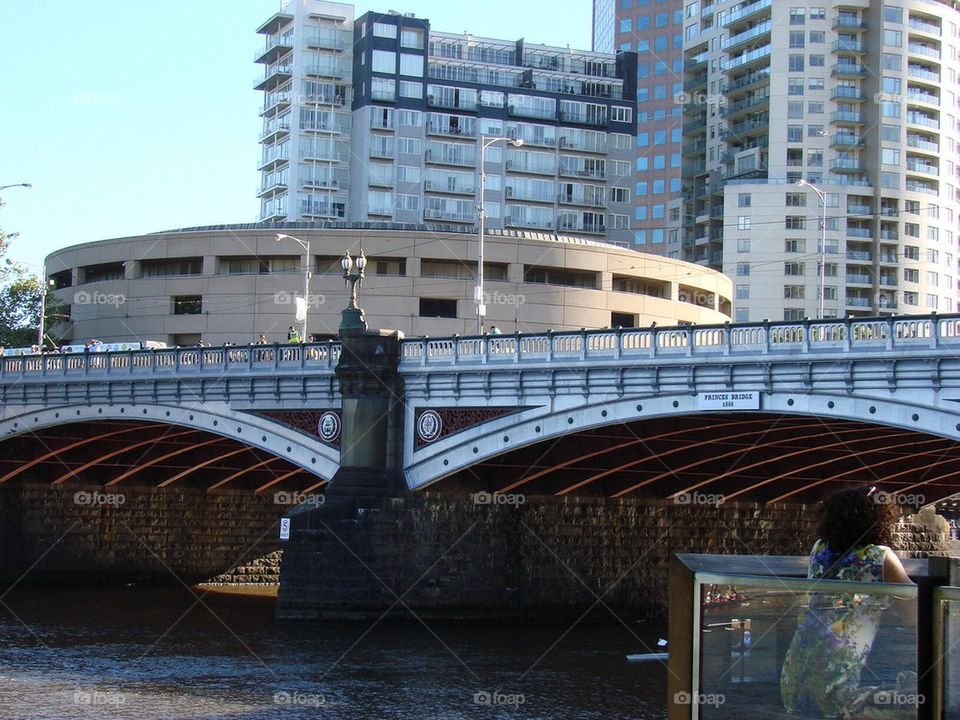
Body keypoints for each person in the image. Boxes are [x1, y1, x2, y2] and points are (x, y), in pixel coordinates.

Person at [780, 486, 913, 718]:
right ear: (878, 519)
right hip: (838, 690)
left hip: (794, 682)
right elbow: (917, 613)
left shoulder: (819, 550)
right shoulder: (879, 557)